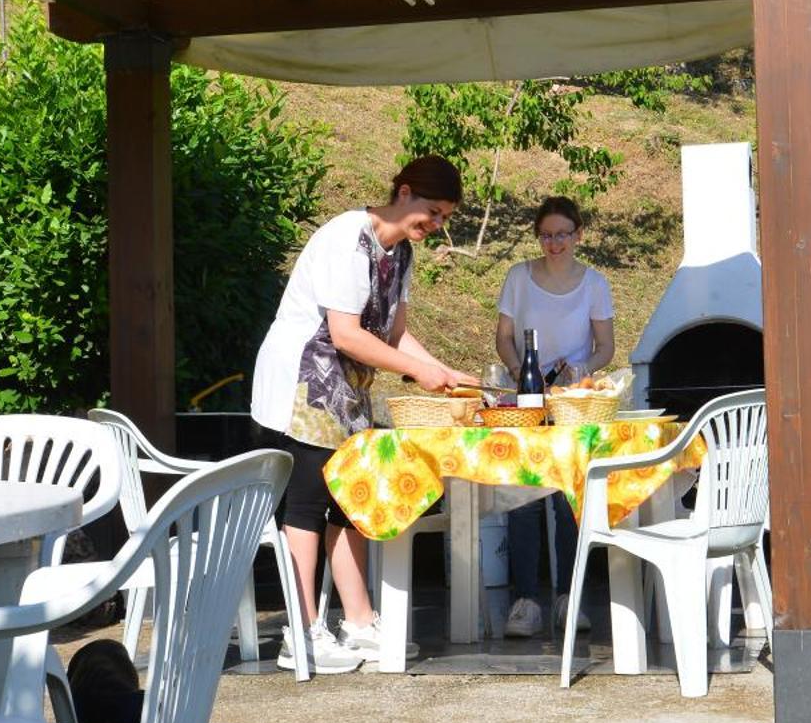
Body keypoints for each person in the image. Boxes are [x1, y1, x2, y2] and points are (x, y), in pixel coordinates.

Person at [251, 155, 475, 673]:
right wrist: (420, 374)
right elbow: (347, 333)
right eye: (433, 212)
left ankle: (358, 621)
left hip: (348, 388)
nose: (436, 226)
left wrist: (444, 370)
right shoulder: (346, 237)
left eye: (444, 218)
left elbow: (392, 335)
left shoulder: (401, 254)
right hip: (304, 382)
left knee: (350, 500)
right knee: (305, 507)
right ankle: (301, 631)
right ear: (403, 192)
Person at [494, 196, 615, 638]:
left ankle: (569, 597)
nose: (554, 243)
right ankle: (525, 602)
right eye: (546, 235)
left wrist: (583, 370)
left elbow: (606, 346)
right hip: (528, 398)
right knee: (524, 494)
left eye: (563, 234)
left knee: (568, 498)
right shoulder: (518, 278)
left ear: (578, 235)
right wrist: (518, 371)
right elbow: (504, 337)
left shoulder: (595, 283)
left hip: (573, 402)